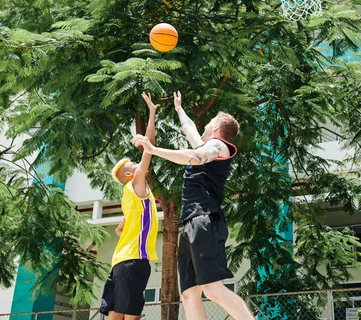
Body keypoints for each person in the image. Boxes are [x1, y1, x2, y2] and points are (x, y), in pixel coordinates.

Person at [132, 91, 254, 320]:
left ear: (217, 125)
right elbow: (190, 131)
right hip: (191, 223)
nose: (205, 125)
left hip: (204, 219)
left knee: (213, 289)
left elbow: (195, 156)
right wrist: (178, 109)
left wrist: (154, 150)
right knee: (188, 294)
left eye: (209, 122)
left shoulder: (218, 146)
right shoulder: (205, 145)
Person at [100, 92, 160, 320]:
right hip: (134, 261)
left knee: (115, 315)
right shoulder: (135, 185)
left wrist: (153, 113)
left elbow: (119, 230)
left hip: (119, 262)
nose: (138, 164)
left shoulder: (131, 199)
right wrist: (152, 114)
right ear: (128, 173)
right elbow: (149, 150)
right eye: (134, 164)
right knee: (132, 315)